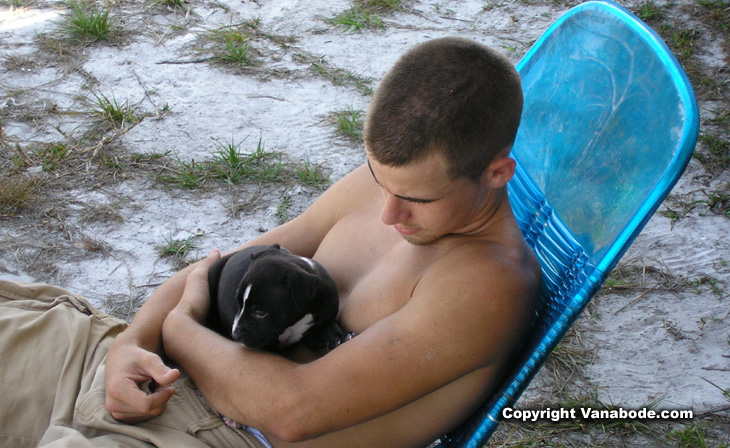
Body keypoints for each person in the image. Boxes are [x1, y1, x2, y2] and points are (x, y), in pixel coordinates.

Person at [0, 37, 540, 448]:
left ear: (497, 173)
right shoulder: (397, 184)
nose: (387, 213)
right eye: (380, 182)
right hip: (130, 368)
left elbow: (287, 410)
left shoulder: (483, 286)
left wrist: (179, 325)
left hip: (211, 435)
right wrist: (131, 345)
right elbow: (217, 269)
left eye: (417, 199)